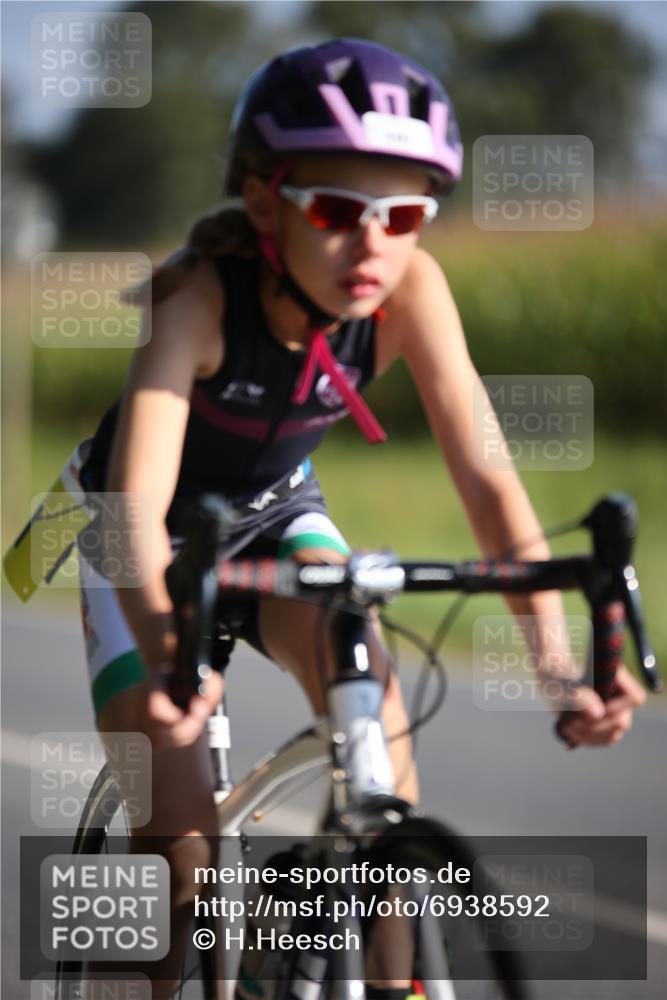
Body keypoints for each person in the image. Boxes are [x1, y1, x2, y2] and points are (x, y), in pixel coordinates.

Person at [70, 38, 645, 997]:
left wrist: (556, 666)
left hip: (276, 511)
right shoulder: (194, 297)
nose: (372, 244)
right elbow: (134, 506)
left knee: (375, 721)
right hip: (142, 532)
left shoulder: (411, 290)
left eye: (404, 215)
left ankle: (387, 982)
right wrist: (169, 650)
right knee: (177, 845)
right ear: (266, 203)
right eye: (336, 211)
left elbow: (489, 483)